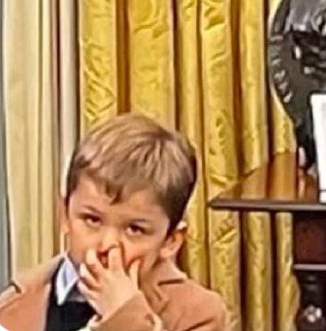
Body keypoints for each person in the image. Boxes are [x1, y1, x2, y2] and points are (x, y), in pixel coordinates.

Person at [0, 113, 229, 331]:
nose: (107, 245)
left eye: (134, 229)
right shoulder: (13, 302)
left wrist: (125, 315)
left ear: (171, 241)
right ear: (65, 215)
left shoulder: (198, 314)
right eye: (92, 220)